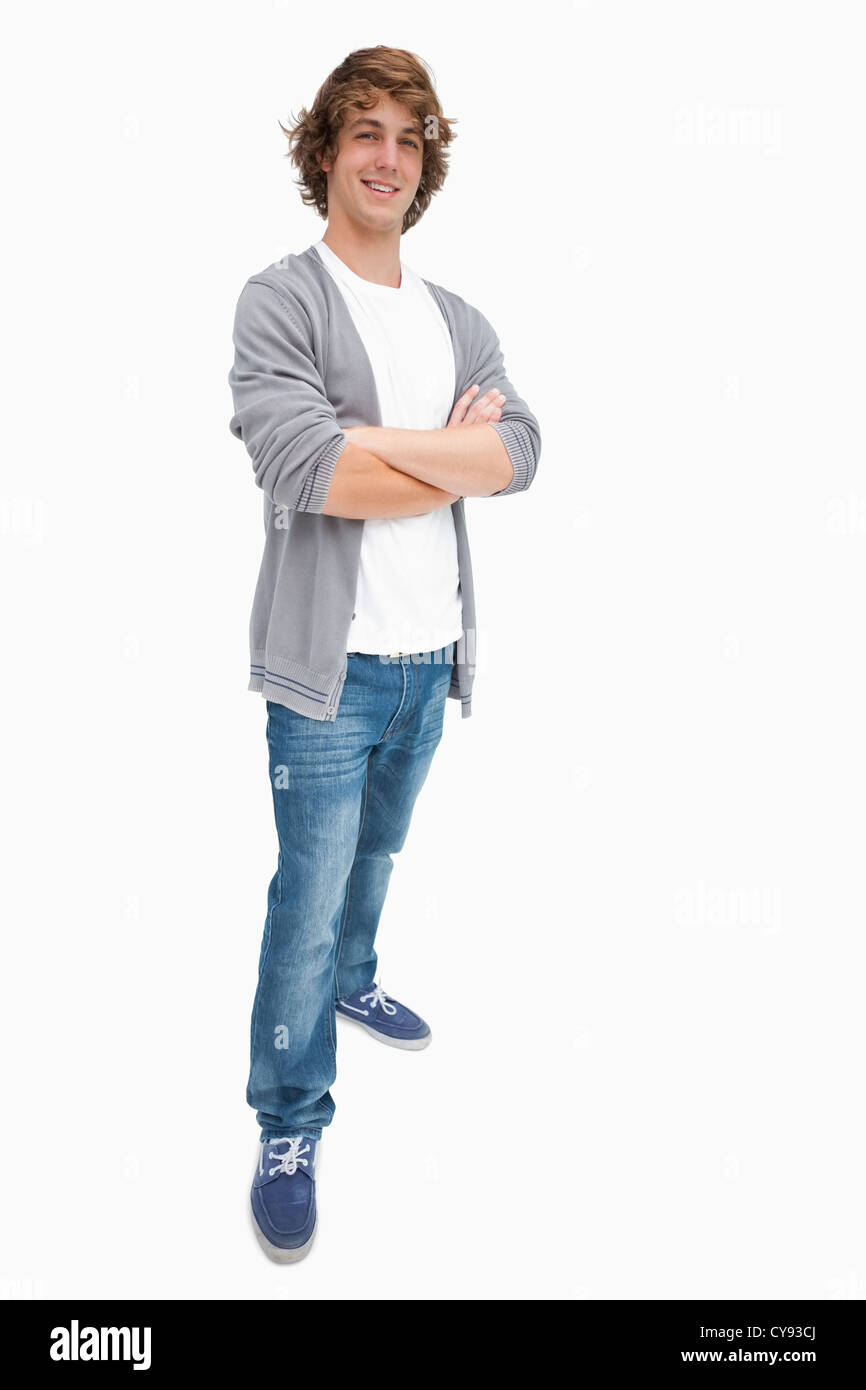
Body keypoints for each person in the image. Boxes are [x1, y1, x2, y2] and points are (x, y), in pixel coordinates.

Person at [227, 45, 541, 1263]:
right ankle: (289, 1116)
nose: (386, 156)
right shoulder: (281, 300)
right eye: (364, 131)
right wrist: (433, 447)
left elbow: (521, 453)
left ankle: (357, 978)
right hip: (330, 669)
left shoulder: (457, 319)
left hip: (430, 658)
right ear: (324, 153)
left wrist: (381, 445)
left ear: (426, 165)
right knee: (302, 901)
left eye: (409, 137)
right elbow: (308, 468)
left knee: (379, 857)